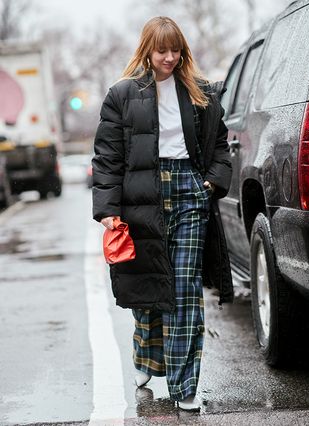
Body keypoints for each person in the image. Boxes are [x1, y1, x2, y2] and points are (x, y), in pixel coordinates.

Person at [92, 16, 233, 411]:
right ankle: (147, 358)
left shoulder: (201, 92)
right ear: (147, 51)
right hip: (142, 197)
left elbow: (219, 146)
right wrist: (107, 210)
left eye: (176, 50)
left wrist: (210, 183)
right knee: (150, 286)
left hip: (189, 189)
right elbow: (106, 158)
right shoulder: (123, 95)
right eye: (162, 50)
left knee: (185, 288)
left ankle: (184, 384)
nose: (169, 57)